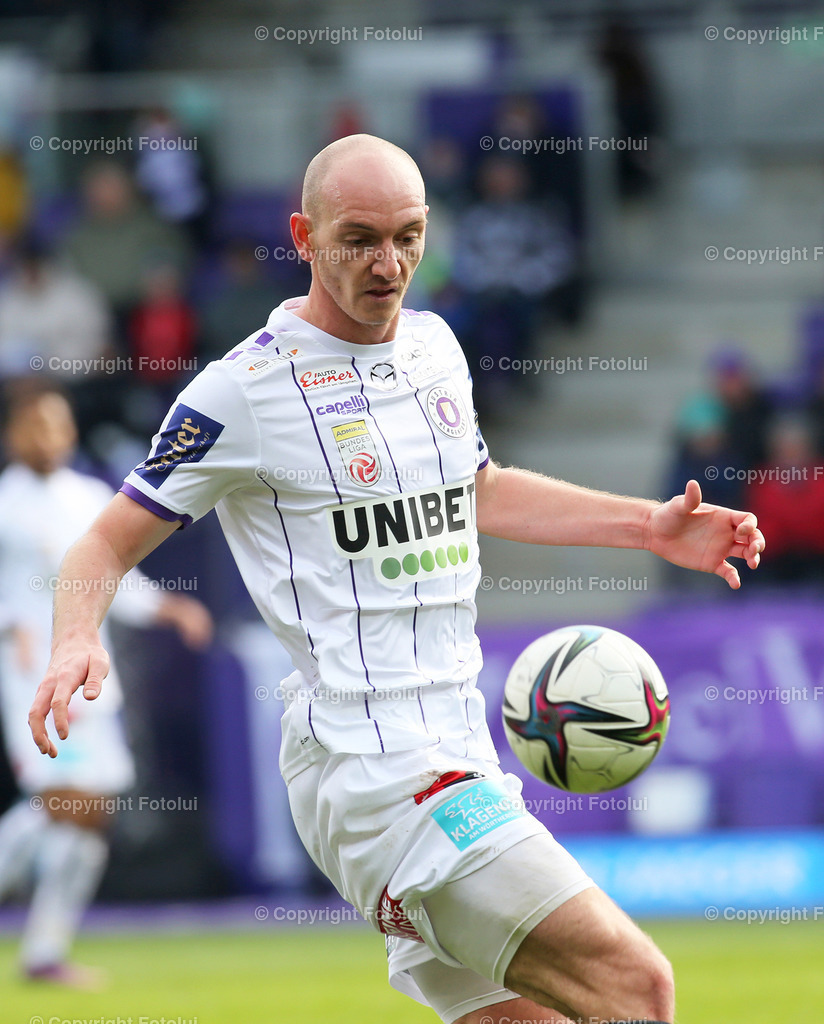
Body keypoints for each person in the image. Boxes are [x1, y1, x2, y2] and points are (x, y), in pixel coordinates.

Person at [28, 135, 764, 1024]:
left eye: (408, 236)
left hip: (459, 753)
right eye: (360, 239)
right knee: (637, 987)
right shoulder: (243, 392)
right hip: (377, 774)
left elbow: (479, 489)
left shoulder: (433, 346)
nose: (389, 263)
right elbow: (102, 544)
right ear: (303, 237)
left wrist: (648, 526)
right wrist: (75, 638)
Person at [0, 378, 212, 986]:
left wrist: (170, 607)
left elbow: (113, 577)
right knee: (65, 803)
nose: (49, 436)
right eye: (35, 425)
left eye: (57, 424)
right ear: (13, 435)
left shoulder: (89, 497)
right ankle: (43, 949)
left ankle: (45, 952)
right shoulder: (6, 506)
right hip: (30, 680)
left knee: (90, 815)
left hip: (91, 680)